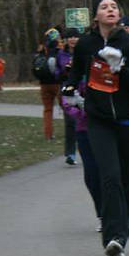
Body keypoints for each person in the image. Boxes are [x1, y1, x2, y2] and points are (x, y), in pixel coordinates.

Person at [63, 0, 129, 256]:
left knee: (125, 177)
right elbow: (76, 72)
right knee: (110, 176)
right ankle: (115, 238)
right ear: (96, 16)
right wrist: (69, 88)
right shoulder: (86, 44)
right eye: (104, 7)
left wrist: (121, 69)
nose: (110, 10)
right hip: (98, 119)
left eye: (114, 6)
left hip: (127, 119)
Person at [61, 77, 103, 232]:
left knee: (108, 172)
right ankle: (102, 215)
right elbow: (66, 100)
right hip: (84, 131)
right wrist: (81, 112)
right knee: (91, 174)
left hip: (106, 129)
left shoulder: (102, 68)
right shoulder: (74, 75)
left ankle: (119, 210)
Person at [58, 28, 81, 165]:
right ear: (66, 40)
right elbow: (56, 72)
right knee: (70, 122)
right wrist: (64, 71)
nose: (73, 39)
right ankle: (70, 153)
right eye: (70, 37)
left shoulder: (83, 51)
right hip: (67, 88)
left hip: (83, 88)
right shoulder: (61, 54)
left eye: (75, 37)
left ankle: (89, 149)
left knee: (86, 120)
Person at [35, 27, 63, 140]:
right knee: (67, 108)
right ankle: (73, 131)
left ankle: (48, 134)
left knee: (47, 109)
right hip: (57, 83)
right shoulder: (59, 50)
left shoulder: (42, 50)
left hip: (43, 84)